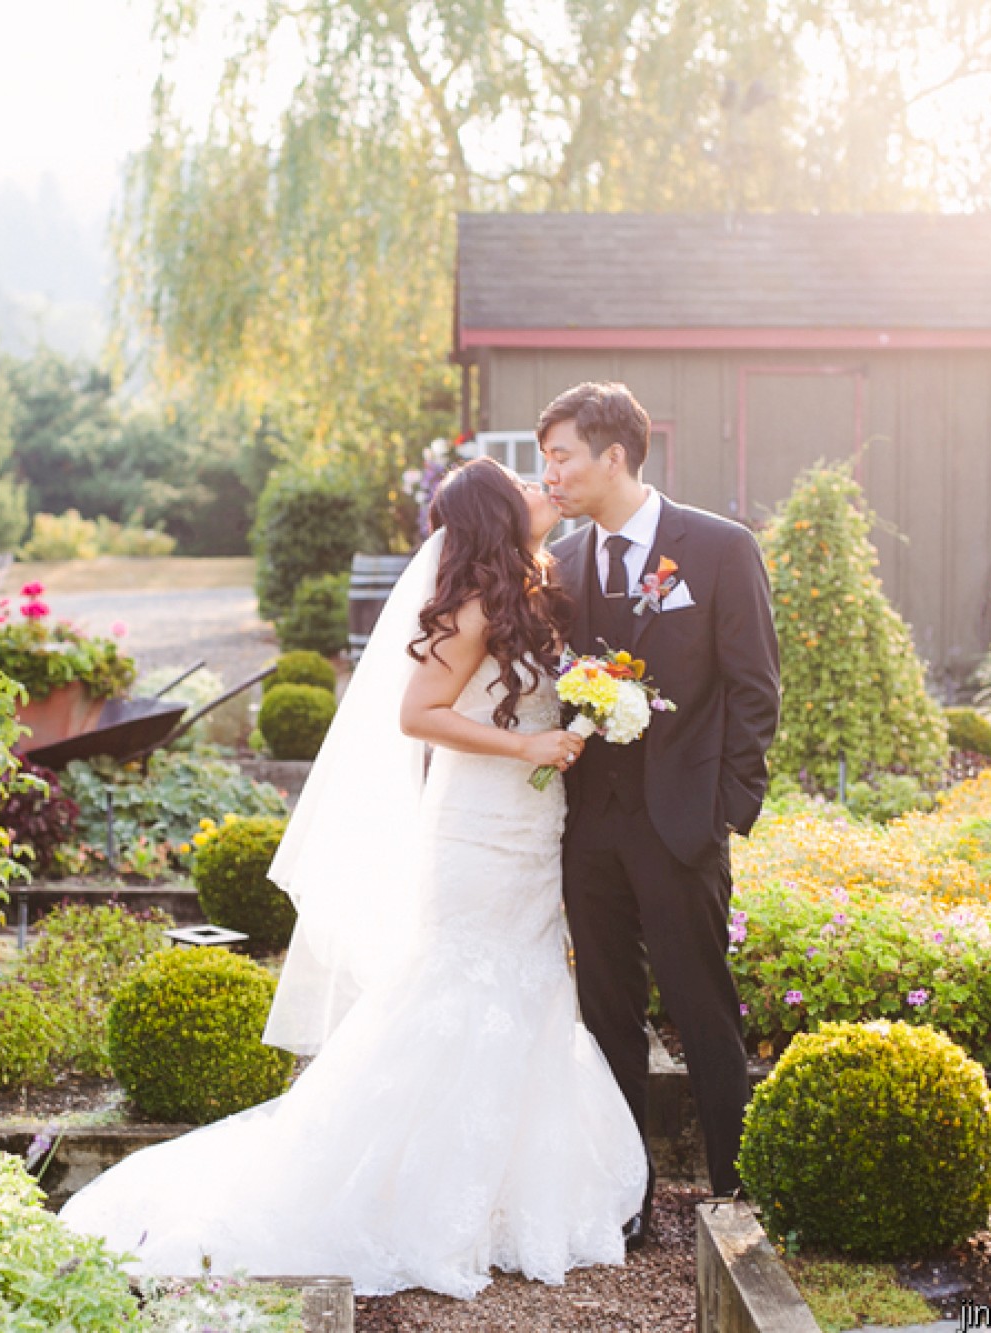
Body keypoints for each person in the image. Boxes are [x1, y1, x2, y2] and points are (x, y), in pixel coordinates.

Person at [56, 458, 648, 1299]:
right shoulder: (475, 605)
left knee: (529, 990)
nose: (538, 485)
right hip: (476, 831)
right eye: (521, 482)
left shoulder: (534, 587)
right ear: (493, 514)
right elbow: (419, 714)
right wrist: (527, 747)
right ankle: (404, 1197)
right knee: (457, 993)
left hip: (532, 826)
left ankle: (507, 1201)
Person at [537, 381, 781, 1246]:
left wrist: (723, 810)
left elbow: (756, 690)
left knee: (703, 1005)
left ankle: (739, 1187)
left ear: (615, 456)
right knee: (605, 1017)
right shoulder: (559, 565)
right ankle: (623, 1195)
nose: (551, 473)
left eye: (562, 455)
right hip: (588, 828)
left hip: (682, 823)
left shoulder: (718, 548)